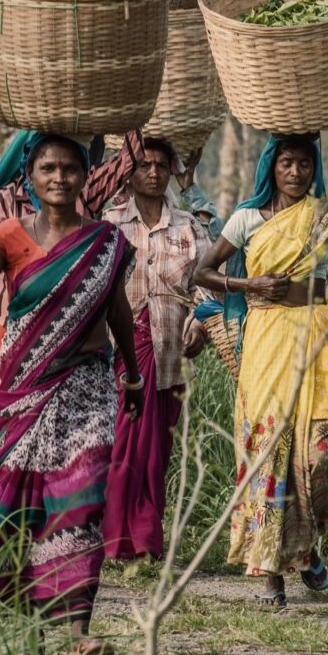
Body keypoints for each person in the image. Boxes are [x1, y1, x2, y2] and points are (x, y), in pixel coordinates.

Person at [0, 133, 143, 655]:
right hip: (24, 388)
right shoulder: (9, 234)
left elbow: (118, 309)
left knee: (80, 497)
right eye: (47, 169)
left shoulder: (106, 242)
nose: (59, 178)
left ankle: (78, 633)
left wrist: (130, 372)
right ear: (30, 179)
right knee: (22, 505)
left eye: (69, 169)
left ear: (85, 177)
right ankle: (24, 629)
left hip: (87, 384)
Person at [189, 130, 328, 606]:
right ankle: (271, 576)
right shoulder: (247, 218)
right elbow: (201, 273)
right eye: (287, 162)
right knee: (266, 450)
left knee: (318, 455)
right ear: (272, 166)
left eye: (305, 163)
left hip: (315, 342)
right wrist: (247, 283)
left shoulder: (325, 217)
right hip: (266, 343)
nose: (296, 172)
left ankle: (305, 550)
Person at [99, 133, 213, 562]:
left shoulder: (189, 226)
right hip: (115, 350)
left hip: (169, 351)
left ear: (171, 173)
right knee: (119, 442)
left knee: (154, 450)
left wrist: (200, 325)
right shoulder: (110, 223)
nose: (152, 172)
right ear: (129, 170)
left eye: (161, 166)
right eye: (144, 164)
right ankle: (114, 538)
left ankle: (145, 539)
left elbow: (207, 283)